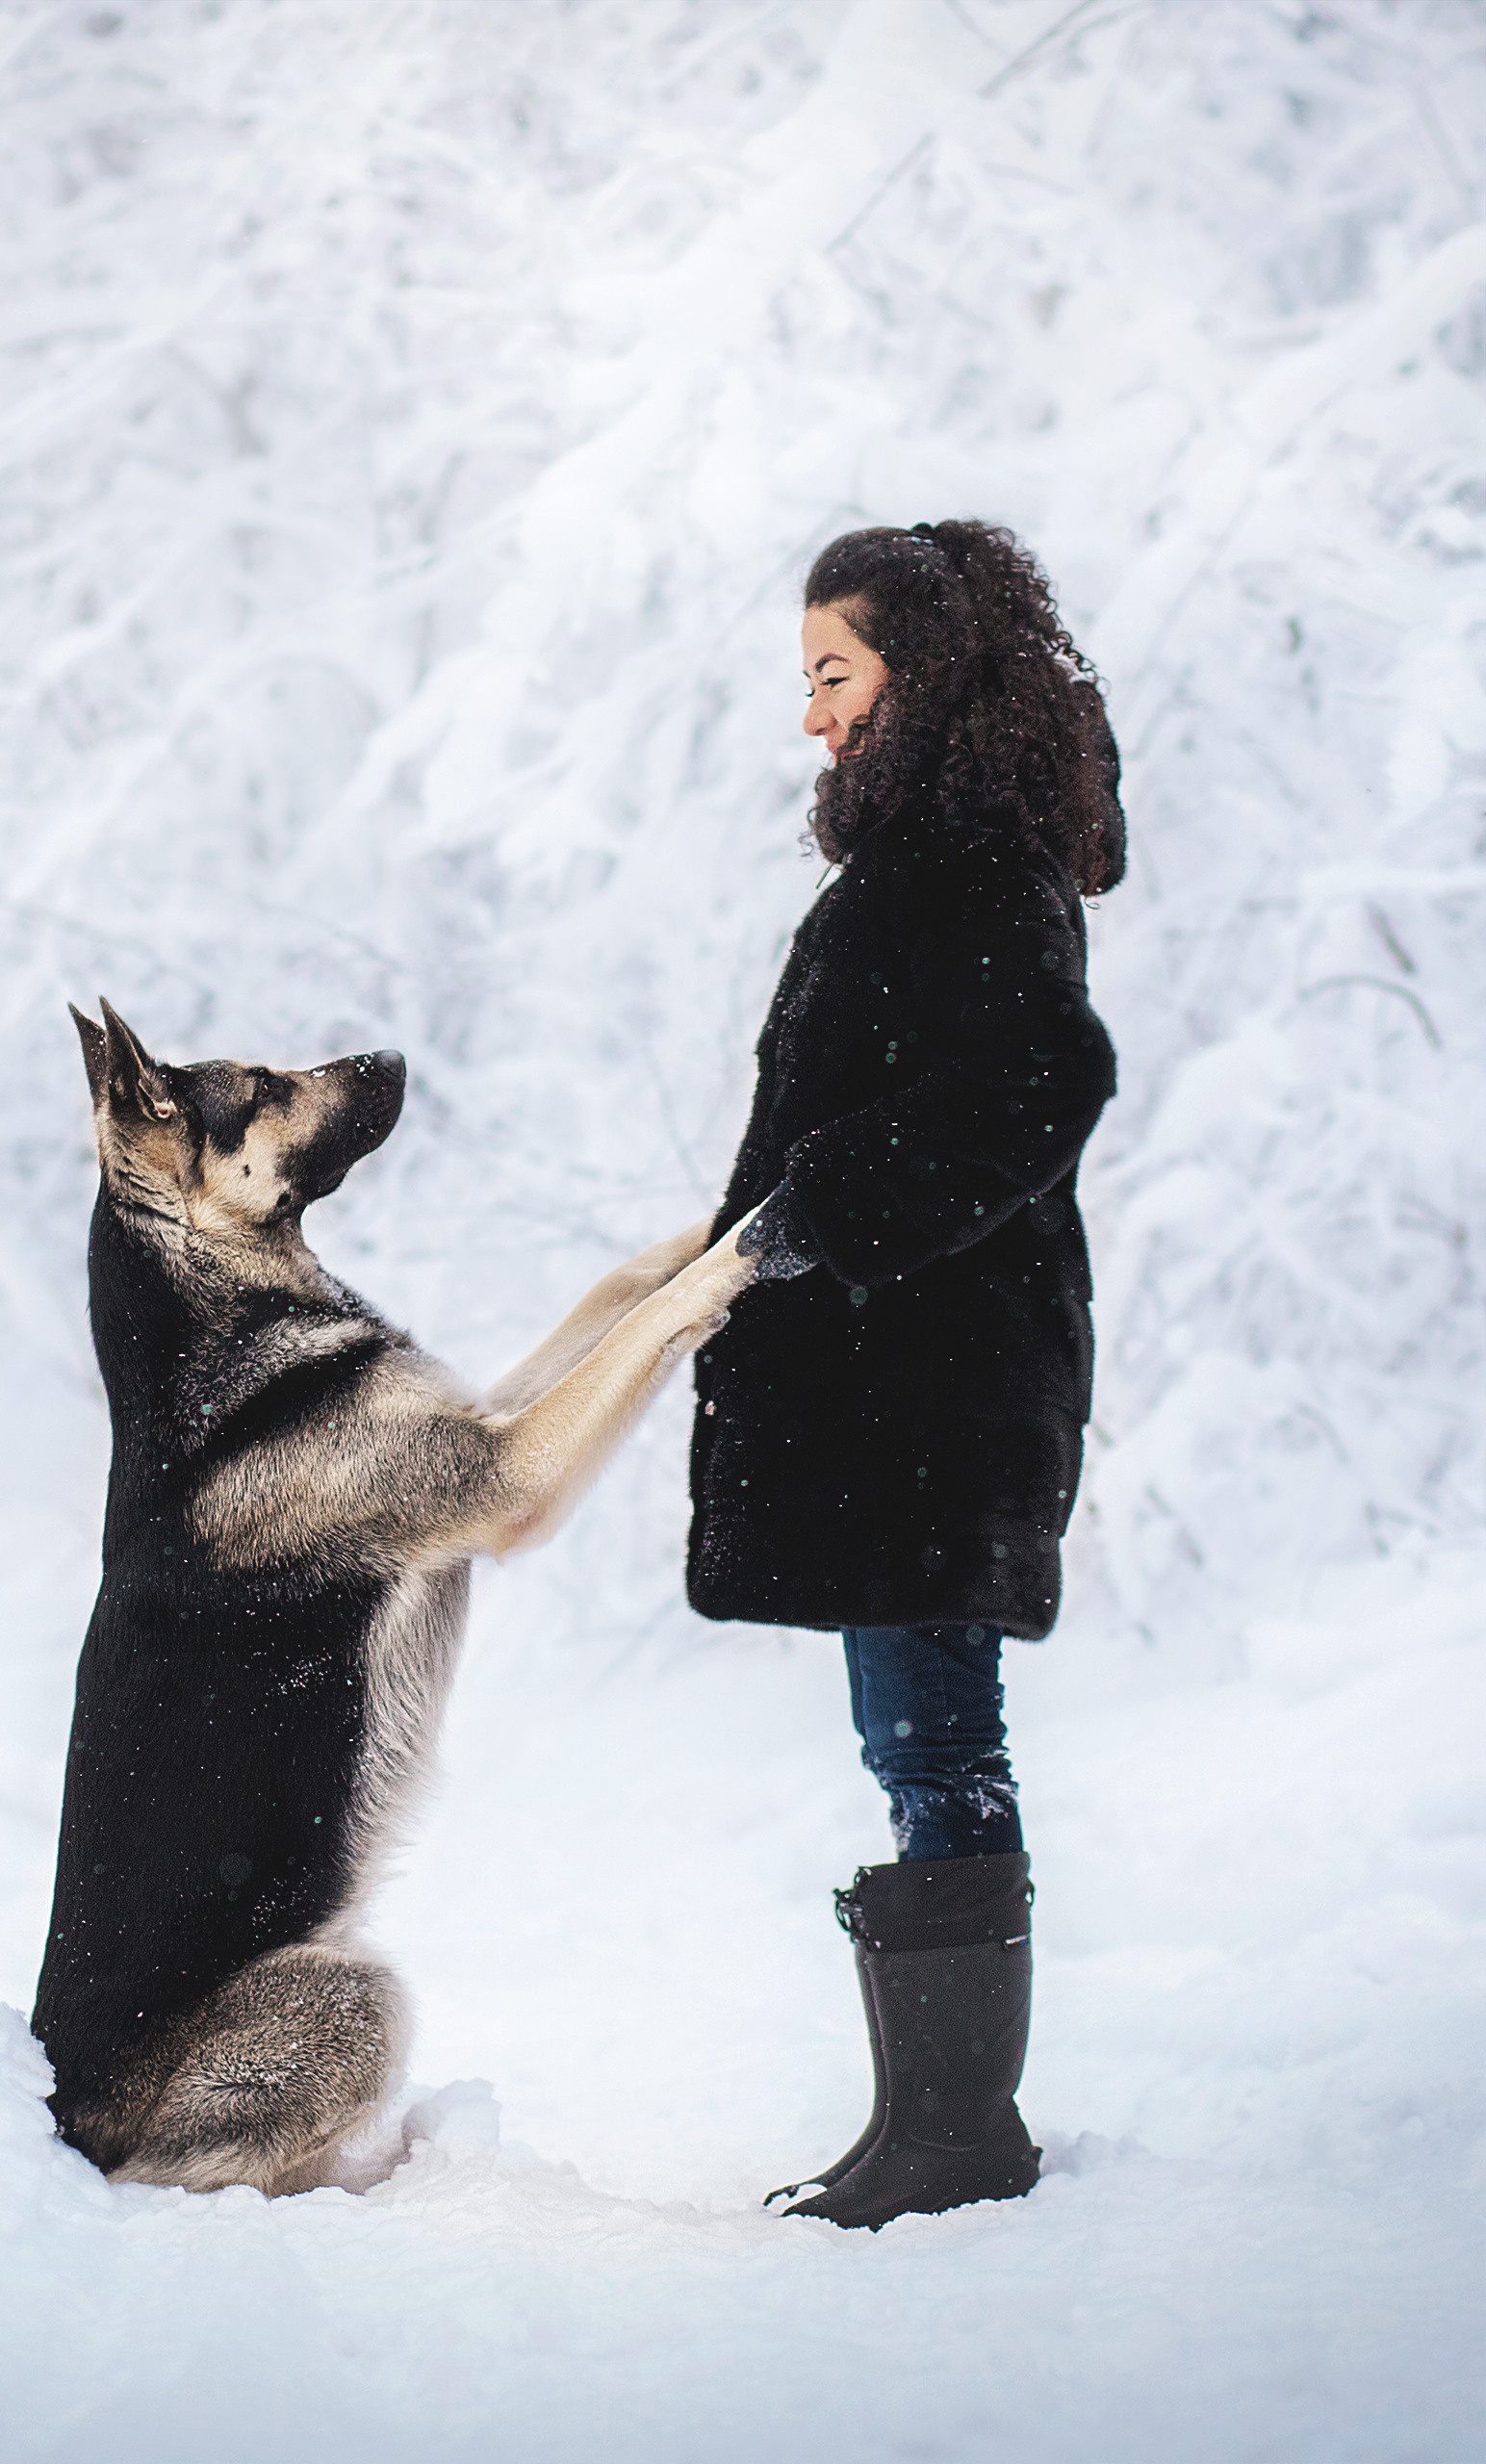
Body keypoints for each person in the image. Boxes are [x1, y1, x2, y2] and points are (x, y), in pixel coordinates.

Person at [687, 520, 1124, 2229]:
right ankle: (930, 2124)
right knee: (921, 1739)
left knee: (937, 1741)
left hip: (933, 1390)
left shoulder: (966, 868)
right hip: (906, 1380)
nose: (811, 716)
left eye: (833, 675)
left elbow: (1037, 1084)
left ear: (919, 677)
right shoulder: (937, 860)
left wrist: (821, 1217)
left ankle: (955, 2136)